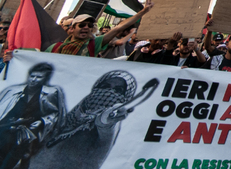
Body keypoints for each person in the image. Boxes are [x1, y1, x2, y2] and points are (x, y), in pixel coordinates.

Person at [29, 71, 157, 169]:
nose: (109, 92)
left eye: (118, 90)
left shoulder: (105, 123)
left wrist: (108, 119)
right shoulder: (71, 115)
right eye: (105, 86)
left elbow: (105, 124)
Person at [0, 63, 65, 169]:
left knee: (10, 162)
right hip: (4, 131)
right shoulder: (13, 90)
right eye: (32, 76)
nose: (34, 79)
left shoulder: (50, 94)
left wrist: (41, 122)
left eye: (39, 77)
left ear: (45, 79)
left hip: (26, 135)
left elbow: (54, 114)